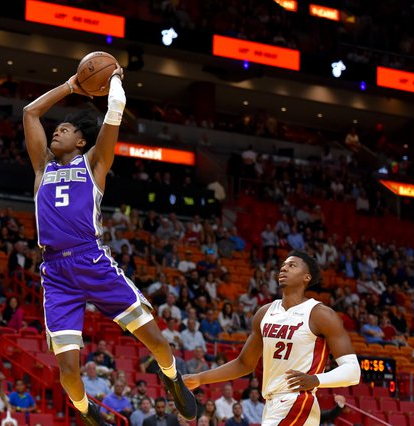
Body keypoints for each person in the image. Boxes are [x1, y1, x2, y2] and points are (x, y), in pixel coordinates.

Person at [22, 63, 196, 425]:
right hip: (55, 273)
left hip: (91, 259)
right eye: (56, 129)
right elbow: (30, 112)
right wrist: (71, 84)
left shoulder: (94, 164)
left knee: (156, 341)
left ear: (81, 141)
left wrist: (114, 76)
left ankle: (171, 375)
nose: (57, 132)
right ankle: (87, 412)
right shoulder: (42, 168)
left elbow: (114, 111)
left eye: (65, 129)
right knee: (68, 372)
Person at [184, 250, 360, 425]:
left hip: (298, 401)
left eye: (292, 265)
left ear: (306, 277)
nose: (283, 269)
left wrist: (316, 380)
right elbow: (244, 364)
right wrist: (200, 378)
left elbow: (352, 371)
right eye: (283, 265)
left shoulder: (320, 314)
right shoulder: (264, 313)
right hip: (271, 404)